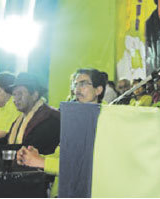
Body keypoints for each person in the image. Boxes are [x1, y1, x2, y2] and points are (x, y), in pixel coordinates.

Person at [16, 68, 107, 197]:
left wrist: (42, 162)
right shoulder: (76, 117)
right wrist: (34, 156)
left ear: (98, 90)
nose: (77, 89)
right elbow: (62, 155)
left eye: (83, 83)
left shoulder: (103, 120)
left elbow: (85, 167)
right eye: (75, 84)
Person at [0, 72, 60, 156]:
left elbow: (29, 149)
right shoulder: (21, 118)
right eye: (14, 94)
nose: (16, 99)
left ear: (35, 95)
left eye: (20, 94)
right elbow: (9, 139)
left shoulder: (48, 118)